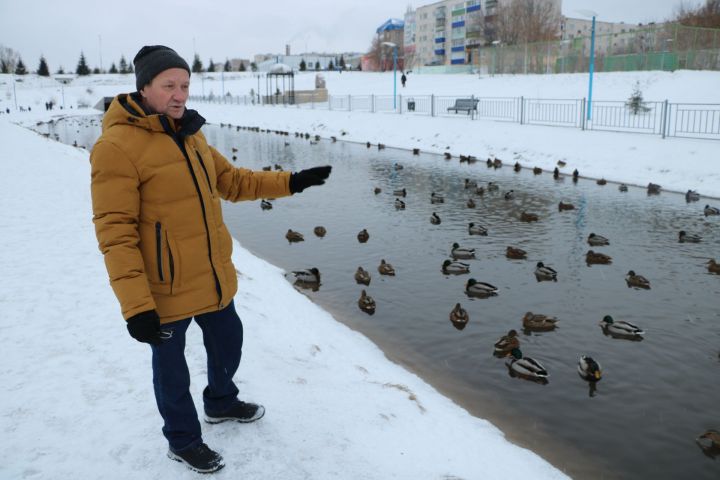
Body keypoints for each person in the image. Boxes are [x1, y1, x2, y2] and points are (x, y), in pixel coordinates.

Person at [90, 45, 331, 474]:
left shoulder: (191, 134)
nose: (180, 94)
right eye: (169, 85)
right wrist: (136, 305)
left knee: (228, 342)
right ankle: (182, 441)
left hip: (213, 276)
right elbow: (115, 232)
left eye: (184, 84)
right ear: (144, 88)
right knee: (172, 373)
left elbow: (233, 181)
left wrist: (291, 181)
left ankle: (221, 401)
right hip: (163, 289)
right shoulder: (115, 148)